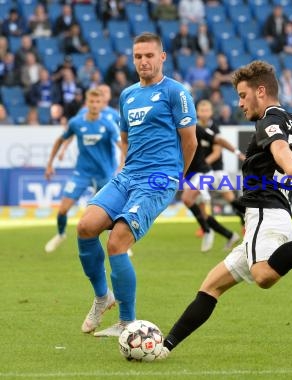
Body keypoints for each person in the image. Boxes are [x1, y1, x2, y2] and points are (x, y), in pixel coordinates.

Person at [156, 61, 292, 359]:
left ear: (261, 91)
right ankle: (164, 347)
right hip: (272, 216)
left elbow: (279, 149)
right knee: (211, 286)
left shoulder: (268, 122)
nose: (240, 103)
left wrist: (291, 169)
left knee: (264, 275)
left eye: (243, 95)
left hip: (265, 213)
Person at [76, 32, 198, 337]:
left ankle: (126, 323)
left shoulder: (176, 92)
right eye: (138, 56)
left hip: (158, 179)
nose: (143, 61)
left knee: (117, 242)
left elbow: (190, 141)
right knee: (86, 227)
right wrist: (121, 169)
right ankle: (104, 297)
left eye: (149, 55)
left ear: (162, 57)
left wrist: (175, 177)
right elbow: (126, 138)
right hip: (127, 175)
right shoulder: (127, 95)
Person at [44, 88, 124, 253]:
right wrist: (50, 163)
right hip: (82, 172)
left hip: (105, 173)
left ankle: (117, 240)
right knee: (63, 209)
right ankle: (60, 234)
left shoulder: (109, 124)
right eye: (91, 102)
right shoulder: (76, 123)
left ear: (102, 104)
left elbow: (122, 146)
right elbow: (61, 140)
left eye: (97, 102)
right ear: (86, 103)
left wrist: (122, 165)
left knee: (112, 213)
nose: (94, 105)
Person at [181, 99, 244, 253]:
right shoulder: (179, 129)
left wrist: (237, 153)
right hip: (194, 172)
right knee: (203, 211)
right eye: (201, 110)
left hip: (211, 171)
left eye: (206, 110)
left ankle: (247, 218)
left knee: (227, 198)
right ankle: (228, 234)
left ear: (211, 112)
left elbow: (217, 148)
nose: (203, 113)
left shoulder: (204, 129)